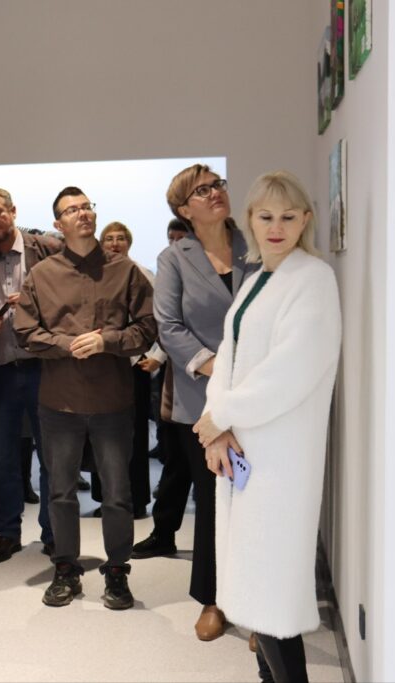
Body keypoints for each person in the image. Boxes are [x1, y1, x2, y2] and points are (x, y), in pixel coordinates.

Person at [194, 171, 340, 682]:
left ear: (305, 220)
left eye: (288, 217)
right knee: (252, 582)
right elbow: (228, 358)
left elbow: (291, 370)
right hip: (243, 449)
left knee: (271, 588)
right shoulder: (258, 279)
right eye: (265, 216)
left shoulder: (313, 279)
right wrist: (217, 424)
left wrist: (223, 415)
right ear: (250, 221)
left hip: (279, 456)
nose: (276, 227)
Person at [130, 165, 257, 642]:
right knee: (213, 500)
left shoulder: (255, 244)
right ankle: (213, 598)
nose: (215, 193)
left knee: (258, 500)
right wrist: (218, 367)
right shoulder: (174, 258)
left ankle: (259, 602)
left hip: (260, 392)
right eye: (201, 191)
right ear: (184, 209)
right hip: (202, 401)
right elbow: (169, 326)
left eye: (217, 184)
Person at [14, 186, 156, 610]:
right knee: (60, 492)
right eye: (71, 210)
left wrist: (107, 340)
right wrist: (66, 344)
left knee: (117, 494)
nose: (82, 214)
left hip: (113, 401)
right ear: (58, 223)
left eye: (86, 207)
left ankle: (117, 573)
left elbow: (147, 328)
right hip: (59, 402)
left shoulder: (125, 270)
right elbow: (25, 332)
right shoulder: (42, 274)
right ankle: (66, 570)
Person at [0, 185, 60, 561]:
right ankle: (7, 531)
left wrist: (35, 302)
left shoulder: (49, 250)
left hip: (45, 368)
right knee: (2, 458)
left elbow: (70, 303)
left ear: (13, 211)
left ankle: (54, 533)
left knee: (52, 456)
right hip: (1, 371)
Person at [99, 221, 163, 519]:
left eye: (120, 238)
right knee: (103, 435)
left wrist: (156, 356)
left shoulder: (143, 274)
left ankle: (136, 501)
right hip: (103, 365)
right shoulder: (95, 275)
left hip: (135, 365)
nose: (115, 243)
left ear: (129, 242)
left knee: (134, 436)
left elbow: (162, 319)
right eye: (109, 239)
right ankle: (106, 500)